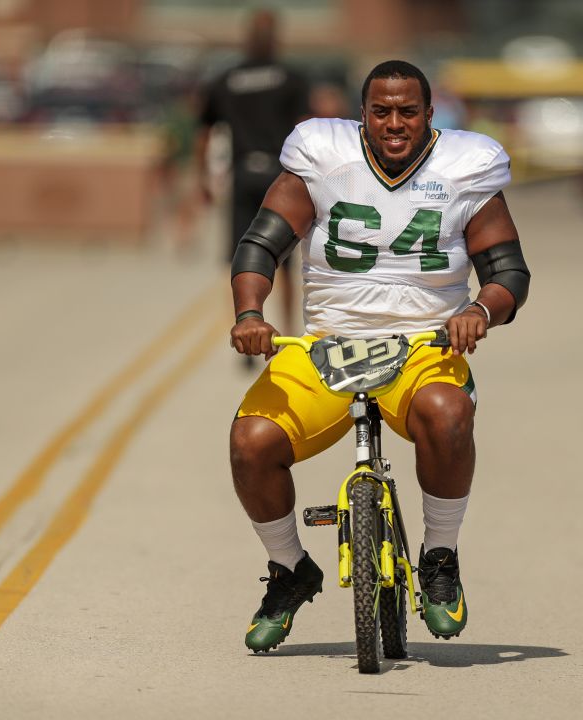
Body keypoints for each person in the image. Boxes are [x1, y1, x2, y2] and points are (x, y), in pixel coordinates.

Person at [227, 60, 531, 653]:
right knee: (250, 442)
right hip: (325, 345)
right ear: (361, 113)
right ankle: (290, 570)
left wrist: (479, 311)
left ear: (429, 113)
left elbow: (508, 272)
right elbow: (261, 245)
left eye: (408, 111)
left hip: (422, 345)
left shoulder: (465, 168)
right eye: (381, 111)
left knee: (447, 414)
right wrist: (250, 314)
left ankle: (439, 557)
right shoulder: (322, 156)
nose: (395, 123)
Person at [196, 9, 311, 349]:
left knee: (241, 254)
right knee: (286, 262)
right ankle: (288, 332)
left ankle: (245, 327)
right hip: (282, 179)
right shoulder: (291, 78)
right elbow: (306, 129)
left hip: (244, 173)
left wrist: (201, 177)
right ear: (276, 38)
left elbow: (204, 131)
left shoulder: (227, 79)